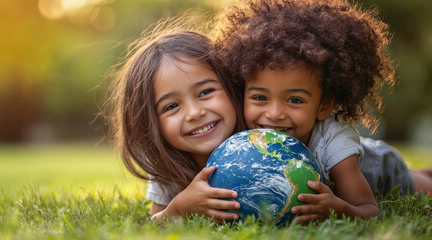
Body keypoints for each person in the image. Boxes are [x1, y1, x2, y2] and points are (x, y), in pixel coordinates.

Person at [213, 0, 432, 223]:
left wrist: (337, 210)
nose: (275, 113)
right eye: (260, 97)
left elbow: (369, 211)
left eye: (295, 100)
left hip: (379, 167)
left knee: (424, 183)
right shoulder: (240, 134)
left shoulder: (335, 141)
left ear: (324, 106)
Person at [103, 18, 246, 223]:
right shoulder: (167, 164)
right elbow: (154, 221)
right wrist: (179, 208)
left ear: (230, 86)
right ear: (151, 125)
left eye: (205, 92)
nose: (194, 113)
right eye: (171, 106)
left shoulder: (264, 138)